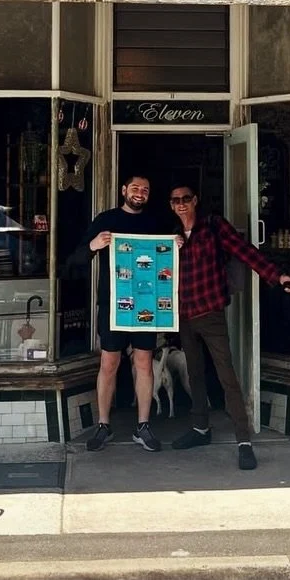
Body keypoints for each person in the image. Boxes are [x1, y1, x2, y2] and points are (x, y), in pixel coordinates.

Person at [168, 184, 290, 470]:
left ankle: (244, 440)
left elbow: (246, 252)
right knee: (194, 373)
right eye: (176, 200)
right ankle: (200, 428)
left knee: (227, 375)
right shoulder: (171, 236)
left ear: (195, 200)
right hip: (183, 315)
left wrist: (278, 277)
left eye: (186, 199)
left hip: (210, 312)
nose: (181, 204)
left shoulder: (213, 226)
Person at [71, 173, 169, 453]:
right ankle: (103, 425)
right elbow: (76, 258)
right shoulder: (106, 219)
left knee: (144, 363)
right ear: (124, 190)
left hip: (147, 305)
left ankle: (143, 426)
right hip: (113, 304)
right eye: (135, 187)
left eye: (145, 189)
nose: (140, 192)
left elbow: (169, 255)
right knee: (109, 363)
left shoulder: (156, 221)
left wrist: (175, 245)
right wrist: (94, 245)